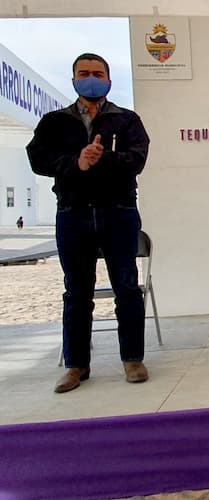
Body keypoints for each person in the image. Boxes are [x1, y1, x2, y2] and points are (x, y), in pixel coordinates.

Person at [26, 53, 150, 393]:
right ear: (74, 79)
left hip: (119, 211)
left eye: (98, 73)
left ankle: (133, 359)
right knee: (77, 292)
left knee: (126, 288)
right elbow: (38, 159)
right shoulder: (54, 122)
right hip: (73, 213)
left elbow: (137, 159)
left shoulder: (126, 120)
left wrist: (102, 158)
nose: (91, 78)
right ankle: (76, 365)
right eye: (85, 73)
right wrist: (75, 162)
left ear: (109, 80)